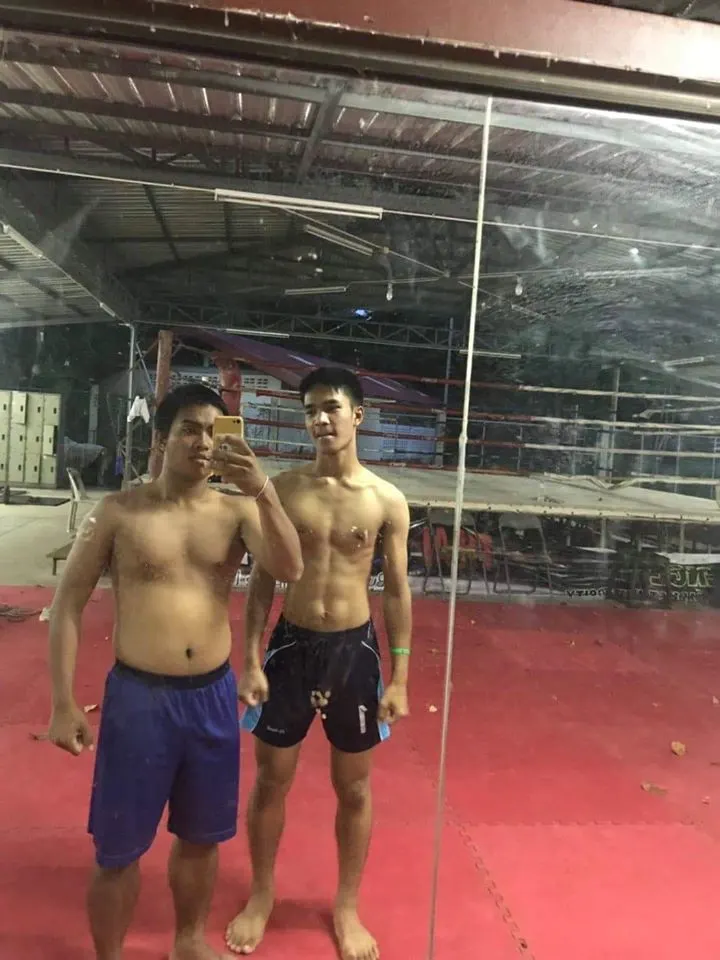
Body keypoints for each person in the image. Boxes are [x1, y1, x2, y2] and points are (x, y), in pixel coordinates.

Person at [47, 383, 304, 960]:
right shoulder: (120, 511)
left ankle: (188, 941)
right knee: (118, 850)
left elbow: (291, 567)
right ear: (162, 439)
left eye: (214, 431)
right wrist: (63, 702)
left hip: (210, 697)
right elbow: (67, 605)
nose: (204, 442)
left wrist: (262, 488)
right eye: (190, 429)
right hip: (140, 699)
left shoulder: (237, 511)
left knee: (201, 837)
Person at [226, 367, 412, 960]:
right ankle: (261, 893)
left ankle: (346, 906)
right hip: (290, 648)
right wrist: (250, 658)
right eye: (310, 410)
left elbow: (397, 591)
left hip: (354, 653)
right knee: (270, 780)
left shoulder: (386, 500)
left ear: (357, 415)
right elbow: (261, 582)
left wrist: (401, 677)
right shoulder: (281, 490)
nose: (320, 419)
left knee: (353, 788)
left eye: (331, 407)